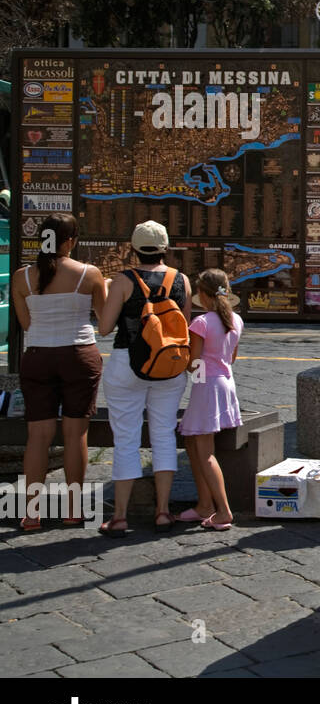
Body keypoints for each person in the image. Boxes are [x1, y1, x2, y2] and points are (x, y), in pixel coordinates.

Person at [11, 213, 108, 529]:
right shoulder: (88, 274)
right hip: (78, 354)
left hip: (38, 355)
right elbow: (104, 320)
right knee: (75, 433)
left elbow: (26, 324)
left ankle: (31, 511)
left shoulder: (22, 277)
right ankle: (73, 509)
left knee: (37, 436)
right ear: (71, 241)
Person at [97, 221, 192, 537]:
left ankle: (120, 516)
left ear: (133, 248)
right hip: (169, 364)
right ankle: (163, 512)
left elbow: (105, 327)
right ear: (166, 248)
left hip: (127, 362)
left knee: (126, 437)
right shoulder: (181, 280)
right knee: (164, 434)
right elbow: (184, 326)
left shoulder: (124, 281)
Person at [177, 269, 243, 531]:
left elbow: (194, 364)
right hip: (226, 383)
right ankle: (204, 505)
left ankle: (223, 511)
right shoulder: (236, 320)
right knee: (193, 443)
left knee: (204, 452)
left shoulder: (201, 323)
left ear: (202, 295)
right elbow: (232, 358)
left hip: (207, 387)